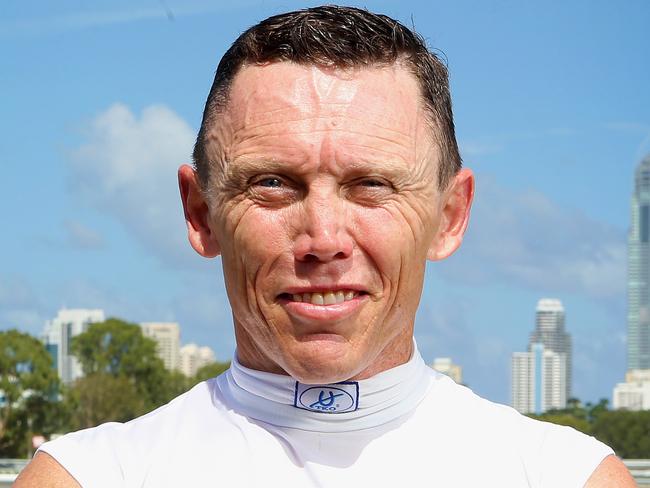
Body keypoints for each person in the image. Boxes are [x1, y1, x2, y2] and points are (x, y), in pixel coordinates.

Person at [16, 5, 635, 487]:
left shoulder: (563, 476)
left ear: (450, 216)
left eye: (371, 185)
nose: (323, 239)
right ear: (200, 212)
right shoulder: (91, 477)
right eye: (273, 184)